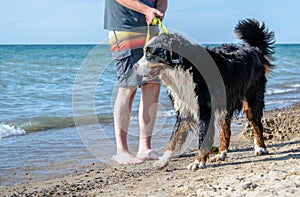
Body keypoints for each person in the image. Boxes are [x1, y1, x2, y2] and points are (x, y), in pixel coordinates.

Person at [104, 0, 168, 165]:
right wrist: (146, 9)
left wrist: (159, 11)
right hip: (124, 27)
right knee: (128, 85)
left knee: (153, 85)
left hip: (151, 28)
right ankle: (121, 151)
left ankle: (145, 148)